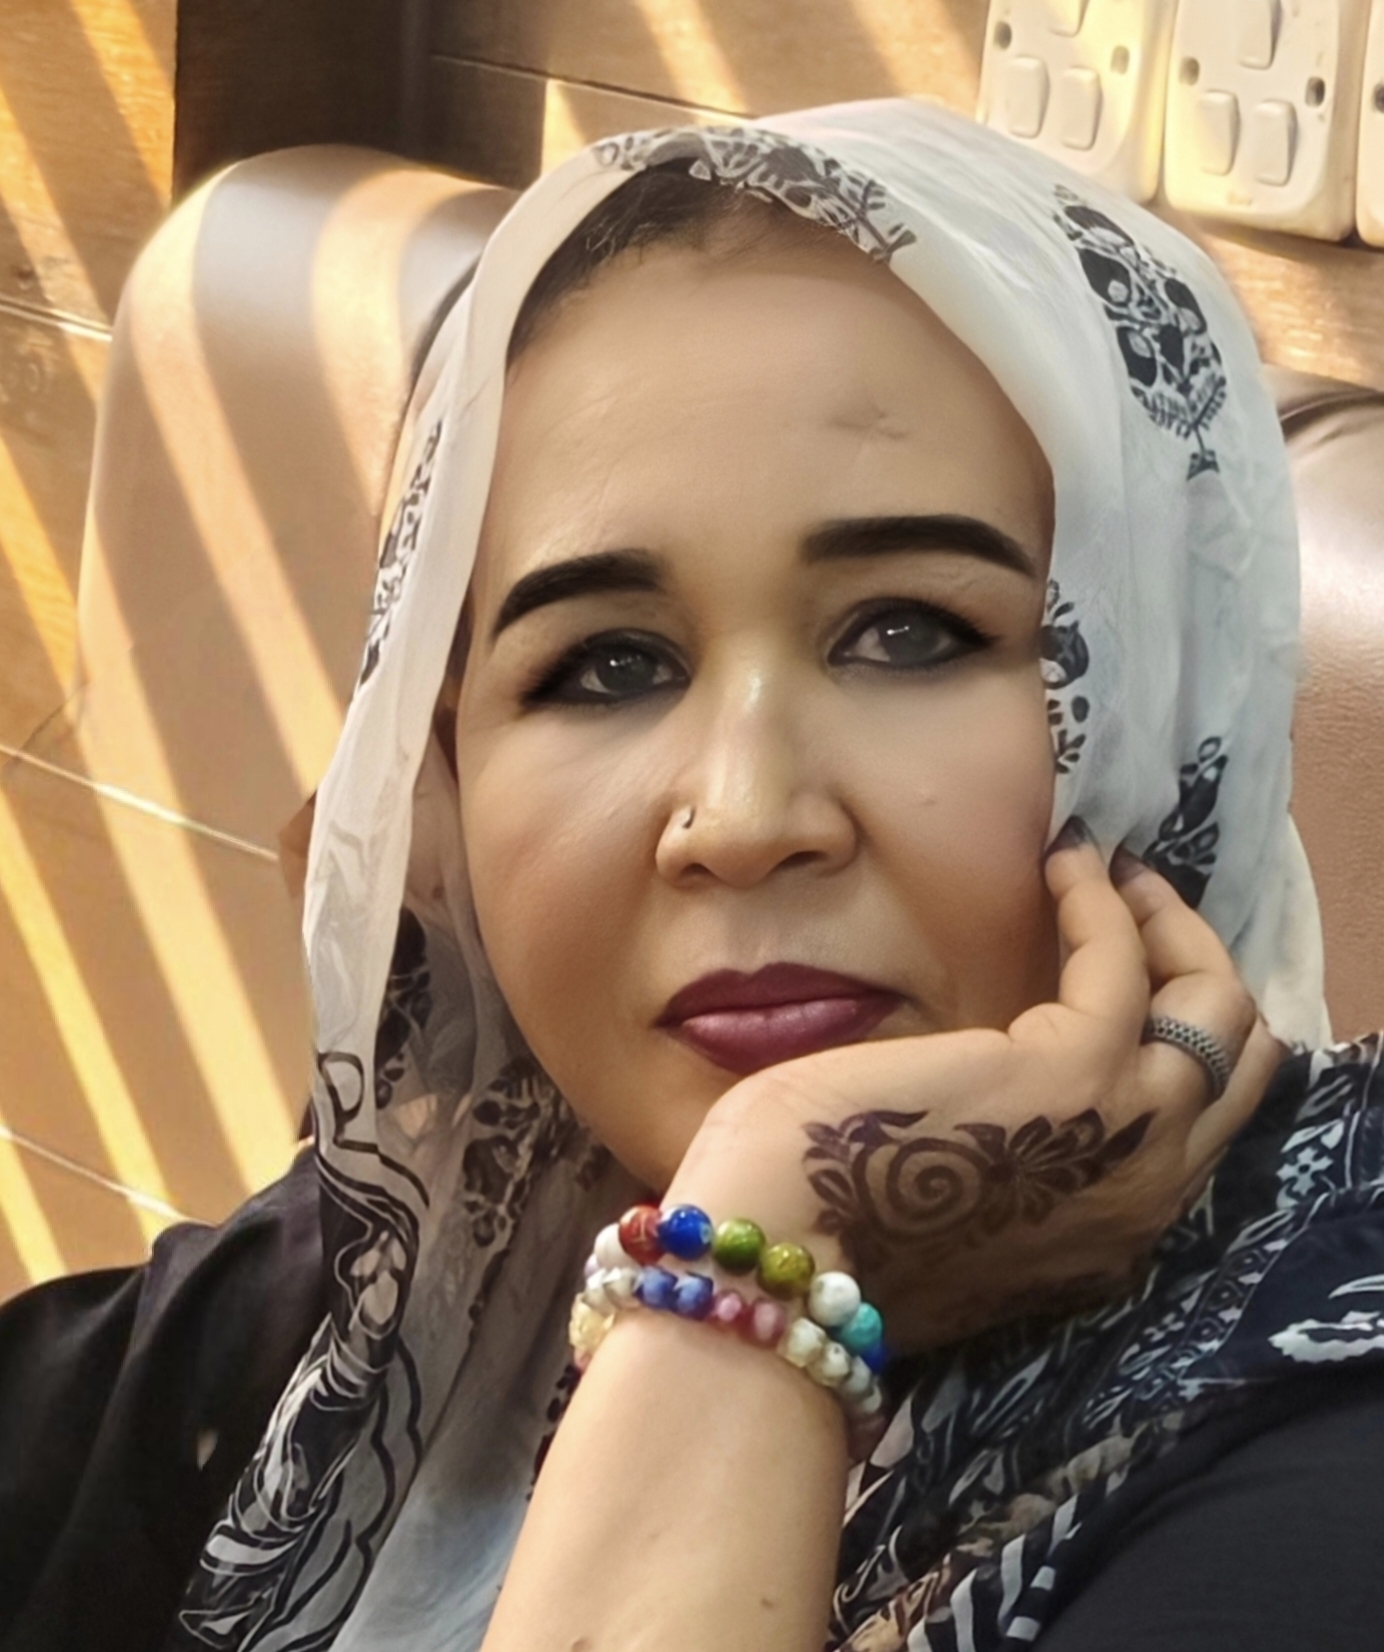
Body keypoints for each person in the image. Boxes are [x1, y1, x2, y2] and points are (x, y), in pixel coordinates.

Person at [3, 99, 1384, 1652]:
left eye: (910, 632)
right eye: (608, 664)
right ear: (443, 780)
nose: (740, 816)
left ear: (1169, 704)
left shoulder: (1319, 1484)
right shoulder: (449, 1259)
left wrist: (759, 1258)